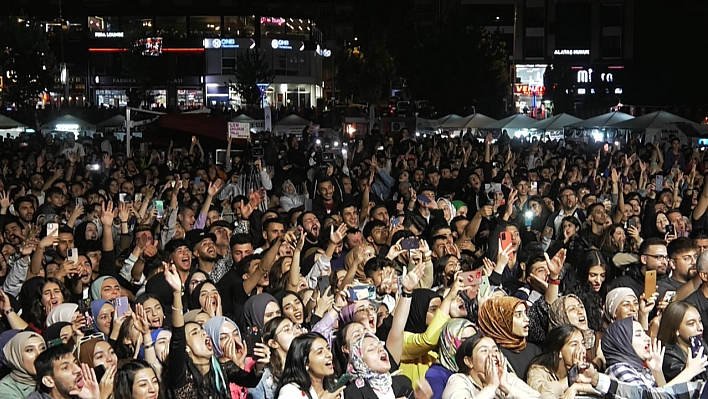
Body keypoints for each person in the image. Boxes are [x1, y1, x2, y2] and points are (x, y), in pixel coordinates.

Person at [603, 317, 707, 387]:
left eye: (644, 333)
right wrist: (689, 372)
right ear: (622, 343)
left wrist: (657, 371)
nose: (647, 338)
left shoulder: (642, 369)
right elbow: (650, 397)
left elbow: (664, 396)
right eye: (638, 335)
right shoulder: (618, 369)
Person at [441, 334, 541, 399]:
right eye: (484, 351)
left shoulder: (505, 377)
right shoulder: (459, 380)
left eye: (495, 350)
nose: (493, 354)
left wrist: (506, 386)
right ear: (469, 361)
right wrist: (491, 387)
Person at [477, 296, 541, 380]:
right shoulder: (493, 354)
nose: (527, 319)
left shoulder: (534, 350)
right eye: (518, 315)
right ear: (501, 321)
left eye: (525, 313)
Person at [527, 325, 596, 398]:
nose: (582, 349)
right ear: (559, 352)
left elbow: (602, 386)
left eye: (582, 343)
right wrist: (570, 379)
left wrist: (575, 387)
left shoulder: (585, 370)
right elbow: (542, 394)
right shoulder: (538, 371)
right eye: (574, 345)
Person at [344, 332, 414, 398]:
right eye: (371, 349)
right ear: (360, 362)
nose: (380, 349)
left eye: (381, 345)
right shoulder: (353, 392)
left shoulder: (403, 382)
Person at [275, 332, 344, 399]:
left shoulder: (334, 384)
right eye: (320, 352)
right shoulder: (291, 391)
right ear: (305, 363)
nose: (329, 354)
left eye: (328, 348)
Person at [657, 301, 708, 382]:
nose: (700, 327)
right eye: (691, 323)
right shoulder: (668, 357)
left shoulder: (701, 345)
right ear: (676, 330)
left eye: (700, 321)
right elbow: (695, 385)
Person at [425, 318, 476, 399]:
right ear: (449, 342)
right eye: (465, 341)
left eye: (475, 340)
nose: (473, 346)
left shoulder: (475, 368)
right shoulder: (436, 375)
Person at [0, 332, 46, 399]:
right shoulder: (5, 389)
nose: (39, 354)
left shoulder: (53, 377)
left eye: (42, 348)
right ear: (16, 356)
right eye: (30, 350)